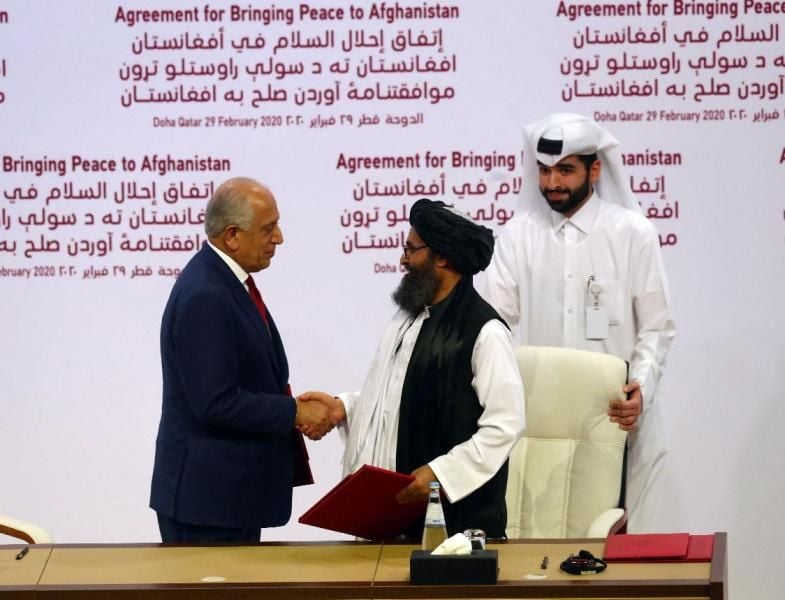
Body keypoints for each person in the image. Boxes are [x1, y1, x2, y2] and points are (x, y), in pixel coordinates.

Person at [482, 113, 676, 532]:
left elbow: (657, 327)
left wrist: (642, 388)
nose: (553, 183)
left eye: (565, 170)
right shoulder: (517, 235)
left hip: (612, 416)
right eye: (545, 171)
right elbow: (492, 324)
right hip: (539, 422)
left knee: (610, 538)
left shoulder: (632, 233)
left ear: (595, 169)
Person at [300, 199, 525, 539]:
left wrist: (441, 473)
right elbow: (402, 395)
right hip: (398, 523)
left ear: (442, 257)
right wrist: (343, 408)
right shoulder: (408, 318)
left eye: (411, 249)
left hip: (459, 531)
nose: (403, 260)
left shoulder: (485, 332)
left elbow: (505, 425)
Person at [150, 177, 332, 543]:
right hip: (208, 506)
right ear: (232, 236)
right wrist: (293, 412)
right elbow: (215, 403)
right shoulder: (207, 294)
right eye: (268, 228)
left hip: (225, 499)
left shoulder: (223, 282)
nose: (278, 238)